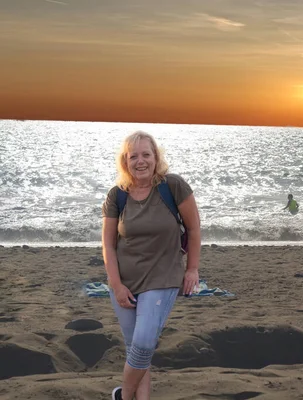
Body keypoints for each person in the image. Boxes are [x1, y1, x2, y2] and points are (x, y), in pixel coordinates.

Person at [101, 131, 201, 400]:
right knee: (136, 349)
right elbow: (108, 245)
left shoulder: (173, 186)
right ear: (125, 161)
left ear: (156, 158)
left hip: (163, 276)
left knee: (144, 343)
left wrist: (192, 269)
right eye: (134, 156)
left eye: (146, 154)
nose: (140, 161)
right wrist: (117, 285)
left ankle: (123, 396)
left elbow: (193, 229)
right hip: (125, 282)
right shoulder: (117, 196)